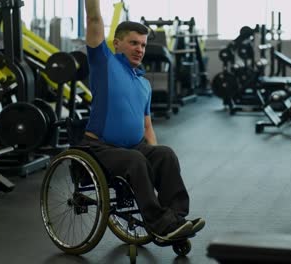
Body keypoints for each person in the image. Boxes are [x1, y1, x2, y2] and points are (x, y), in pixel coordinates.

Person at [82, 0, 204, 240]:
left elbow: (147, 126)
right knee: (136, 159)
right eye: (133, 43)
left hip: (133, 148)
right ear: (117, 44)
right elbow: (94, 19)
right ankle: (159, 224)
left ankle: (175, 219)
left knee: (165, 154)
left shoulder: (144, 84)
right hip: (100, 148)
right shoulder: (103, 63)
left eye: (143, 45)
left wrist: (154, 156)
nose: (140, 49)